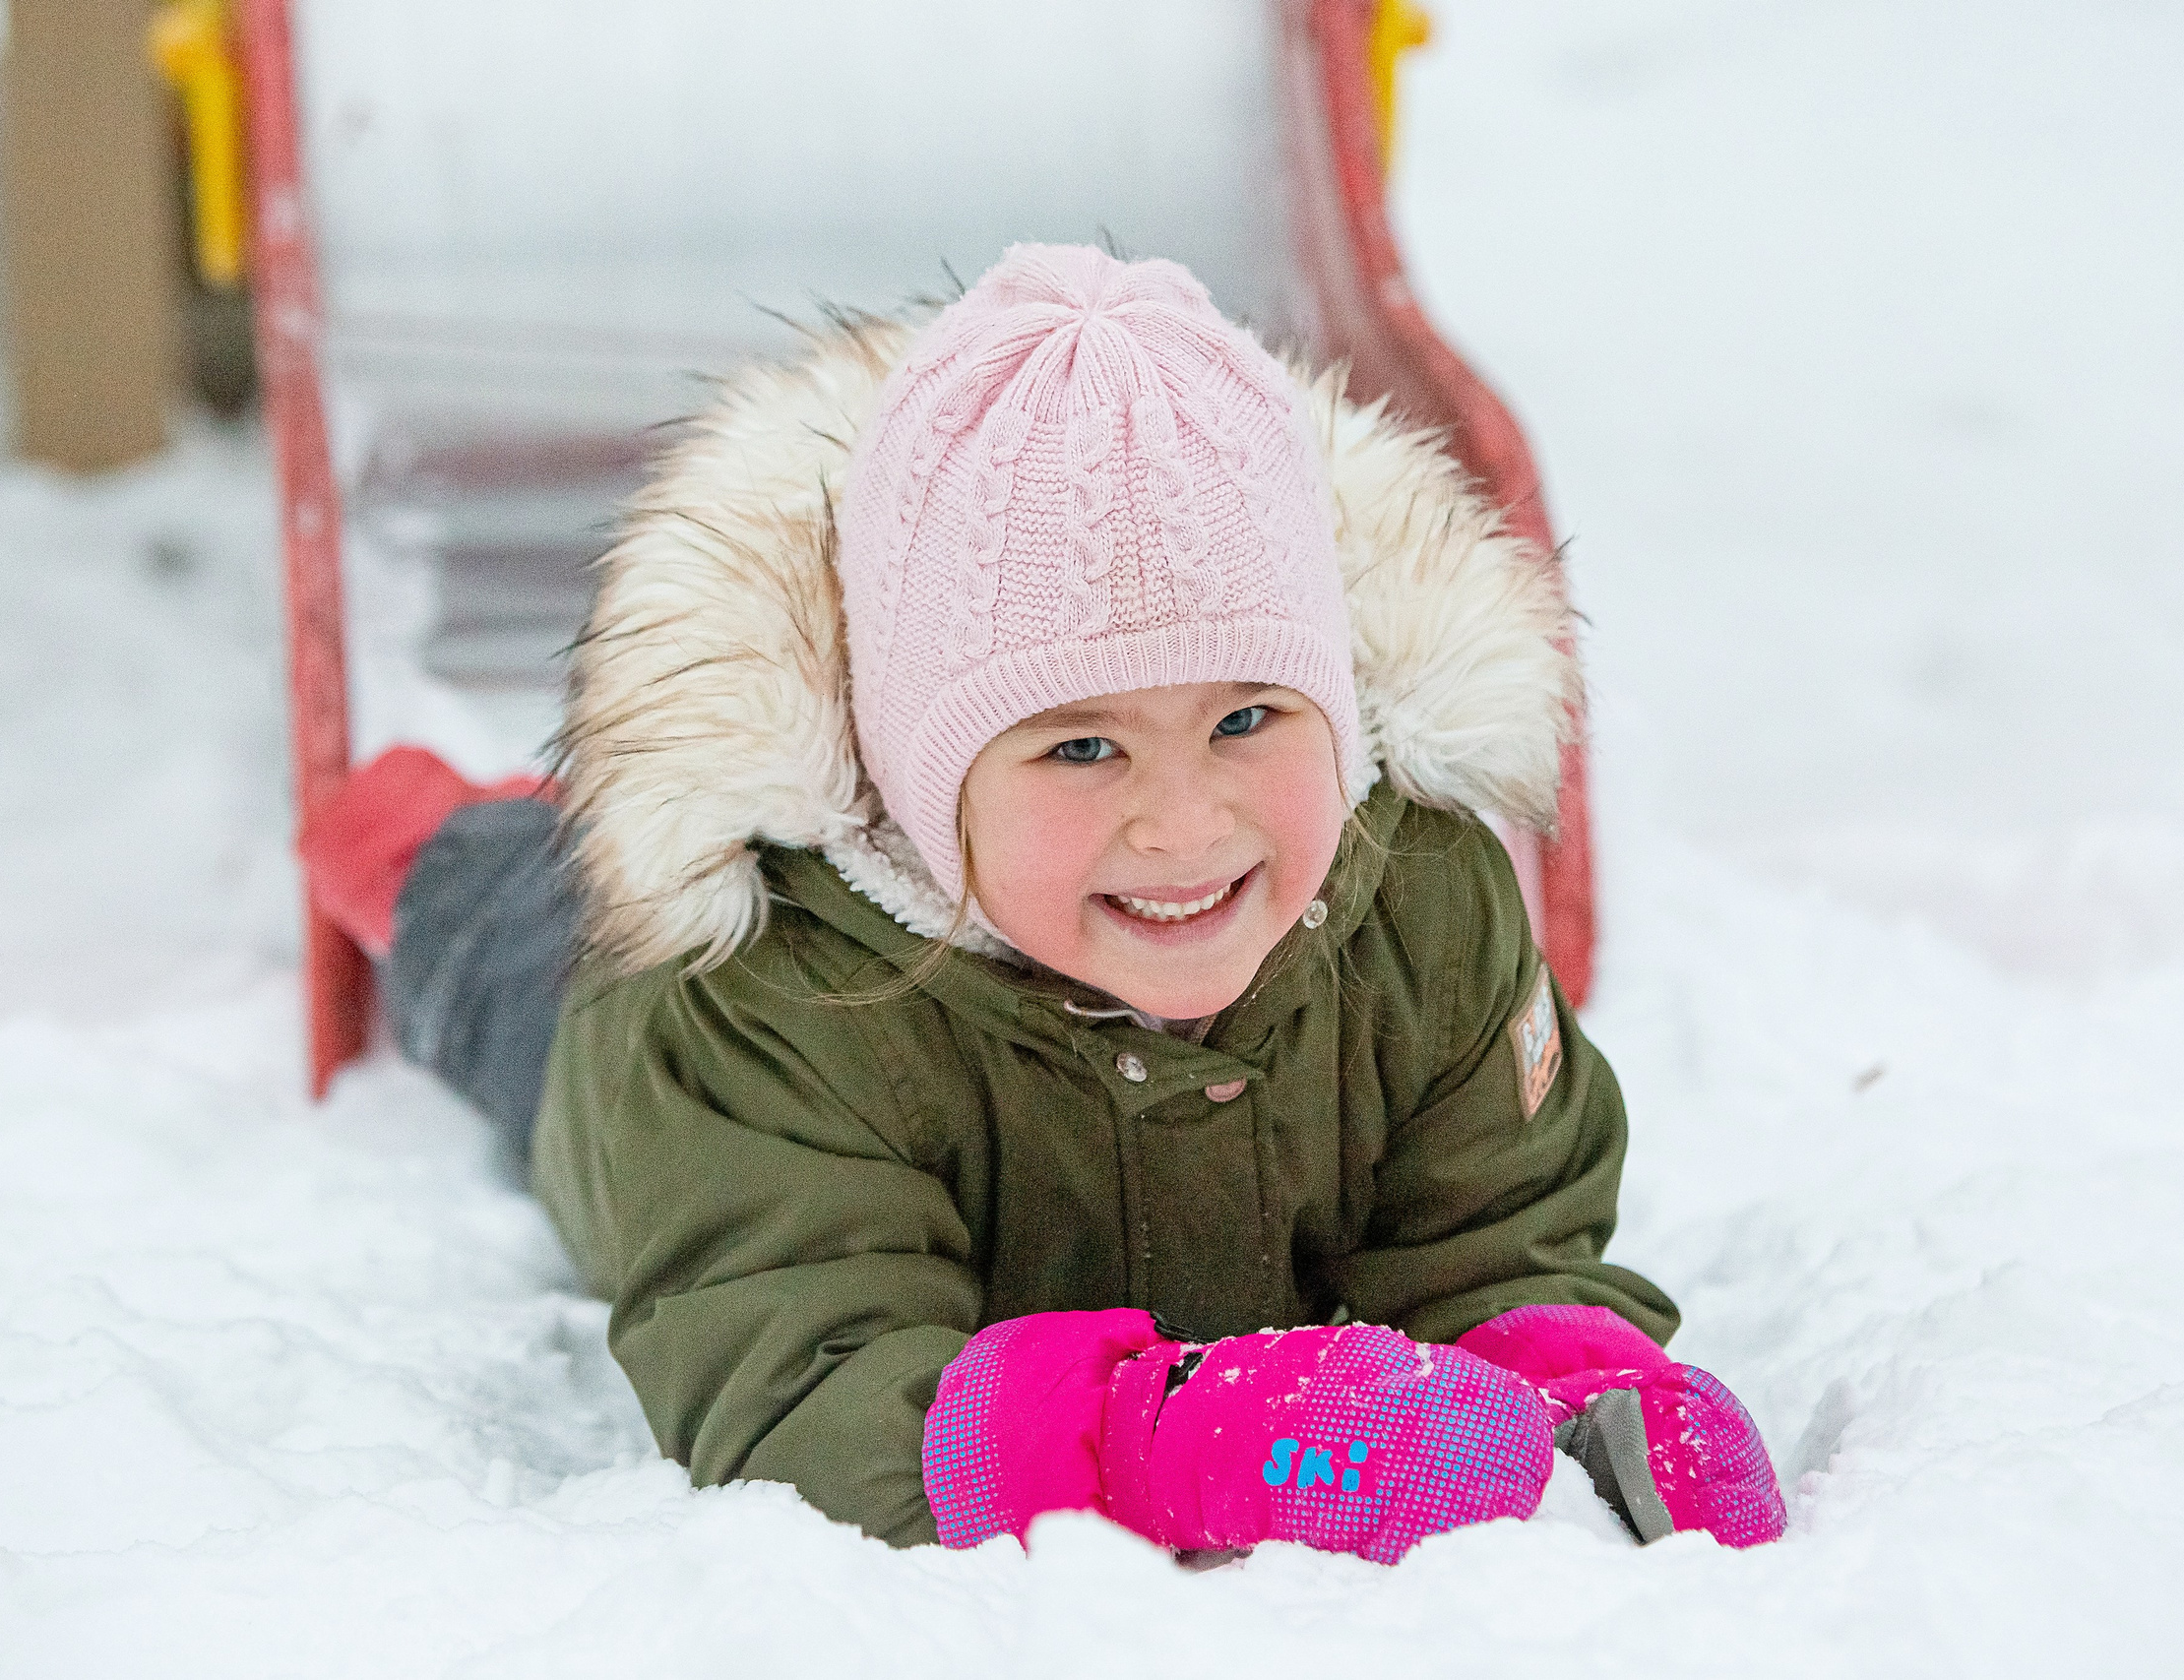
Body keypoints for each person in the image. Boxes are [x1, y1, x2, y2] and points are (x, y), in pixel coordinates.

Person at [301, 244, 1785, 1560]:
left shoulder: (1420, 899)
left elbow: (1491, 1223)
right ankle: (421, 840)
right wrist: (1156, 1448)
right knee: (505, 930)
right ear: (914, 764)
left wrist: (1566, 1369)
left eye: (1250, 720)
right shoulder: (758, 998)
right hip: (597, 1030)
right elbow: (804, 1384)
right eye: (1081, 746)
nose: (1185, 821)